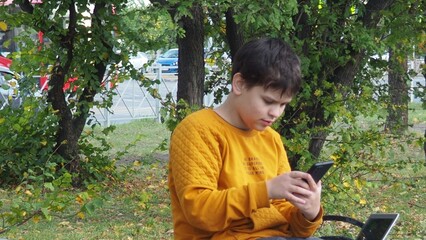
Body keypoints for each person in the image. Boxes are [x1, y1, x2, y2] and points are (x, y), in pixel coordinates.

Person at [168, 37, 323, 240]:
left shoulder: (271, 139)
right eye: (268, 101)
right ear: (239, 84)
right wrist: (266, 190)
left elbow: (289, 222)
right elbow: (200, 211)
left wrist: (309, 211)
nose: (275, 113)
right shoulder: (198, 130)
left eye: (283, 105)